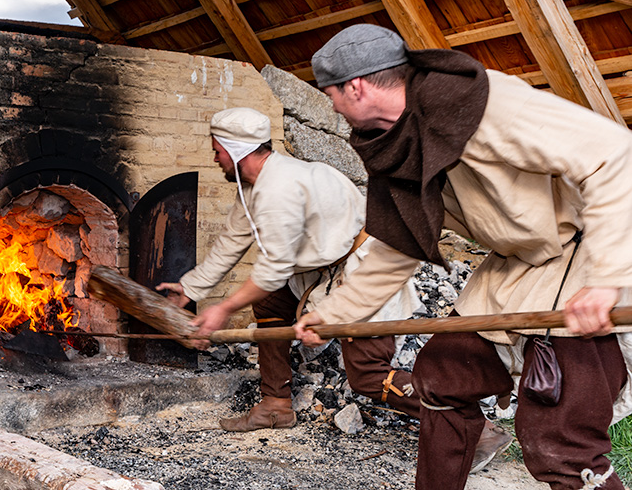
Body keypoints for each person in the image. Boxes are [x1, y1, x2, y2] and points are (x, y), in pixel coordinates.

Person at [295, 24, 632, 490]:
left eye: (330, 92)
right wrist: (333, 315)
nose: (330, 104)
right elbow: (402, 244)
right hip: (514, 267)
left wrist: (608, 278)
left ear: (356, 86)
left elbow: (615, 154)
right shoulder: (396, 145)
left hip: (585, 256)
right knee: (442, 375)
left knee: (560, 437)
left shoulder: (486, 102)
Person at [155, 107, 427, 433]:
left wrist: (224, 308)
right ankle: (276, 407)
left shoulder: (277, 191)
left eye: (217, 151)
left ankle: (469, 424)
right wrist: (190, 289)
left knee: (367, 373)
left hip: (363, 273)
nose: (215, 159)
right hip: (318, 272)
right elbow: (232, 241)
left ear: (235, 150)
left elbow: (273, 272)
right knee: (270, 302)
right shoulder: (254, 185)